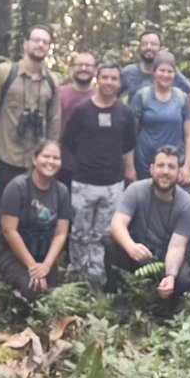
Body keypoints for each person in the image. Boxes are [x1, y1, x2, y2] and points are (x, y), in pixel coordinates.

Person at [0, 26, 61, 276]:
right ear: (25, 44)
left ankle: (16, 271)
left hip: (35, 164)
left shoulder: (51, 82)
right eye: (36, 40)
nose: (40, 45)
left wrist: (52, 159)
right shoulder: (5, 73)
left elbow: (54, 120)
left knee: (28, 221)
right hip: (5, 157)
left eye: (45, 42)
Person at [61, 63, 136, 279]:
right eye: (105, 78)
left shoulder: (124, 112)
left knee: (103, 233)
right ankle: (76, 273)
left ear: (119, 83)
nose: (109, 83)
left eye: (114, 78)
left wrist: (127, 169)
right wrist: (86, 158)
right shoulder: (82, 110)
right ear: (98, 79)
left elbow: (128, 144)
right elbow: (69, 140)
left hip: (113, 183)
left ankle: (96, 275)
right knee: (79, 232)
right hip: (84, 181)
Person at [105, 146, 190, 306]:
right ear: (152, 169)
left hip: (165, 260)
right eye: (161, 166)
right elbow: (117, 224)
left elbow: (177, 247)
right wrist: (131, 247)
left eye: (171, 167)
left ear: (178, 172)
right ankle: (117, 299)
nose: (165, 172)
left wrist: (170, 275)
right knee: (111, 245)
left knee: (183, 278)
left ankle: (167, 309)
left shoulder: (187, 204)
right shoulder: (135, 190)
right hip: (138, 254)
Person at [0, 140, 73, 300]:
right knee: (32, 288)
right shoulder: (17, 187)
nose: (51, 162)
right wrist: (32, 266)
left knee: (54, 294)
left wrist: (46, 265)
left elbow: (61, 233)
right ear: (35, 159)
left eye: (56, 158)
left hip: (42, 254)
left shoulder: (61, 191)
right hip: (12, 253)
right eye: (46, 156)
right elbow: (9, 231)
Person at [128, 51, 190, 185]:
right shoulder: (142, 96)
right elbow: (130, 135)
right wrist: (129, 166)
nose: (165, 75)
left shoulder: (181, 98)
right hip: (144, 163)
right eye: (162, 70)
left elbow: (189, 135)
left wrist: (186, 167)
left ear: (174, 74)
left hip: (173, 164)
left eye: (169, 71)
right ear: (154, 72)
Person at [120, 29, 190, 113]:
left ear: (160, 48)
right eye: (144, 44)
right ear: (139, 48)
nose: (149, 47)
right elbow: (110, 97)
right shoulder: (129, 72)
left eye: (153, 44)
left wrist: (181, 122)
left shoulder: (168, 73)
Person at [59, 52, 97, 136]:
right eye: (79, 65)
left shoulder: (101, 96)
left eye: (88, 65)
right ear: (72, 68)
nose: (83, 68)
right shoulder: (59, 94)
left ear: (95, 70)